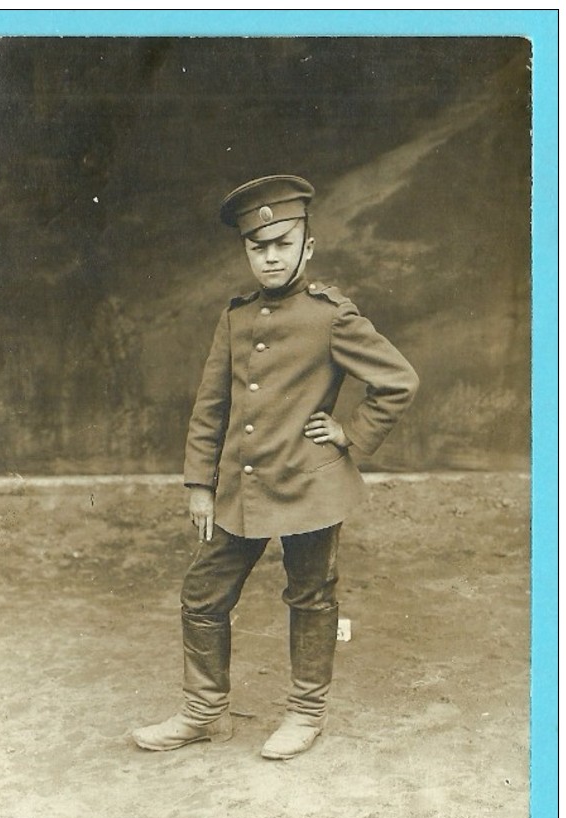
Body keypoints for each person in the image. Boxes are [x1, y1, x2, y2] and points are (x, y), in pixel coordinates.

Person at [132, 175, 419, 760]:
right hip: (241, 488)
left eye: (282, 244)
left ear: (306, 247)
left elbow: (397, 381)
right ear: (246, 250)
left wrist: (350, 435)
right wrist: (198, 485)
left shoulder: (331, 316)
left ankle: (306, 714)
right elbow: (211, 406)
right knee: (203, 594)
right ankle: (204, 711)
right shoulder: (235, 317)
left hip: (311, 486)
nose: (269, 256)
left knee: (312, 596)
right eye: (257, 246)